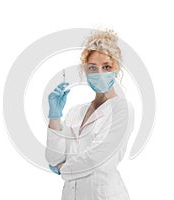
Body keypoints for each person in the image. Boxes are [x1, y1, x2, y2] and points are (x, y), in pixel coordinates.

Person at [45, 29, 134, 200]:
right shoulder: (75, 111)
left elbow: (96, 158)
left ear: (116, 69)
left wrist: (63, 169)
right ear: (85, 71)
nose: (99, 73)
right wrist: (54, 117)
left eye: (106, 67)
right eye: (93, 67)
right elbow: (53, 158)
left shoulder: (122, 109)